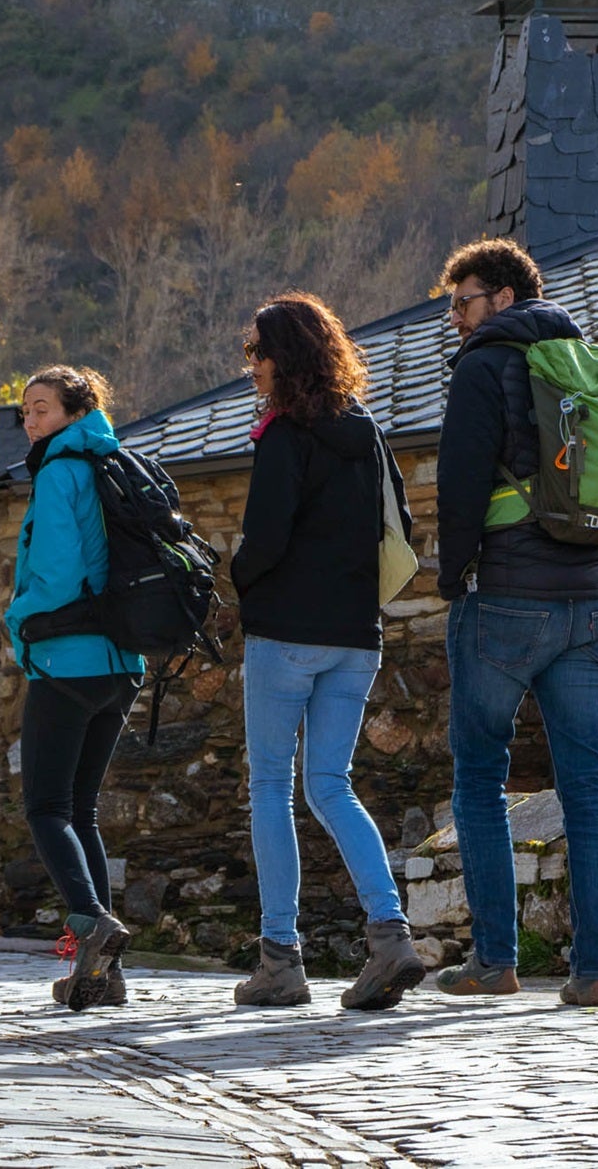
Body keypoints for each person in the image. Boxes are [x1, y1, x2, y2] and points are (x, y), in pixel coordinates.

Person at [433, 238, 598, 1008]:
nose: (456, 320)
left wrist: (452, 576)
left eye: (461, 302)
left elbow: (461, 487)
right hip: (589, 608)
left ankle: (495, 961)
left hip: (503, 601)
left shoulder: (483, 366)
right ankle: (593, 971)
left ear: (501, 296)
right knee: (587, 785)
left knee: (478, 777)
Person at [229, 293, 425, 1011]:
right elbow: (398, 525)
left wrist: (236, 573)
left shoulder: (283, 435)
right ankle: (390, 934)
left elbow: (266, 541)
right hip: (355, 635)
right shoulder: (366, 431)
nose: (250, 366)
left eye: (258, 352)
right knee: (332, 785)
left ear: (285, 357)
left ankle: (280, 958)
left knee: (272, 789)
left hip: (286, 635)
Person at [3, 365, 146, 1011]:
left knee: (45, 807)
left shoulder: (61, 471)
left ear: (72, 411)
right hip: (121, 664)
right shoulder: (111, 463)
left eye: (41, 409)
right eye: (26, 411)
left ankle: (91, 922)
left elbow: (57, 575)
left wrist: (17, 617)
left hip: (68, 659)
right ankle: (105, 974)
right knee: (80, 810)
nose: (30, 421)